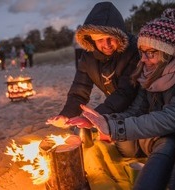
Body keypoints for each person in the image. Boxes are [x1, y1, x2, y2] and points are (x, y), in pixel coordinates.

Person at [70, 8, 175, 190]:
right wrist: (105, 121)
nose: (143, 59)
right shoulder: (149, 73)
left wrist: (115, 128)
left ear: (168, 52)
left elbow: (174, 115)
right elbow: (137, 109)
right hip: (168, 132)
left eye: (150, 53)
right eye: (141, 52)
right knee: (165, 144)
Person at [46, 2, 140, 135]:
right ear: (92, 39)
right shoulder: (88, 57)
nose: (106, 44)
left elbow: (125, 92)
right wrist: (66, 115)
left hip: (138, 109)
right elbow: (79, 91)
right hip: (113, 107)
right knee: (80, 131)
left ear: (120, 35)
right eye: (100, 40)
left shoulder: (133, 51)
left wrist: (95, 117)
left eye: (110, 38)